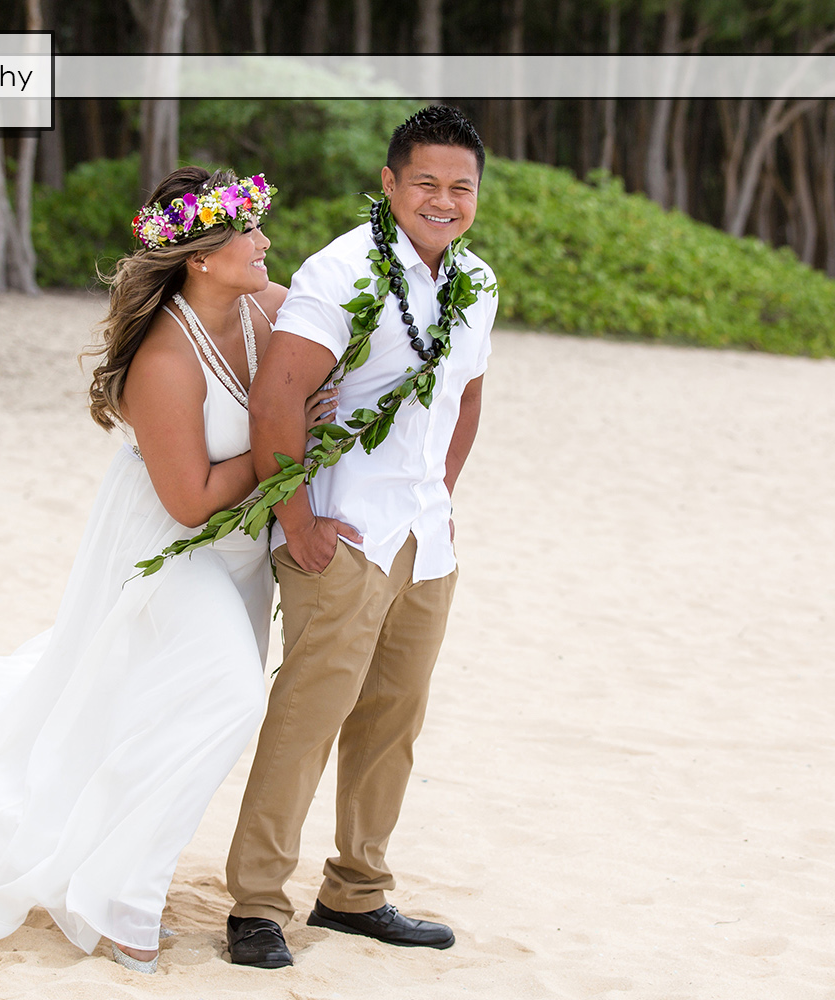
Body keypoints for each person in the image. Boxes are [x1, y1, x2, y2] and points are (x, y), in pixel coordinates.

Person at [0, 166, 335, 975]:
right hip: (168, 549)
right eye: (250, 231)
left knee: (153, 701)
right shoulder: (164, 358)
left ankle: (104, 848)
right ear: (199, 255)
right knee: (230, 696)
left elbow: (324, 375)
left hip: (241, 552)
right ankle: (119, 897)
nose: (267, 243)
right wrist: (285, 442)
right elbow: (192, 500)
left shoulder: (271, 309)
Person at [224, 106, 498, 969]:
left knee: (393, 718)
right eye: (425, 182)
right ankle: (257, 905)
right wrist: (296, 519)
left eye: (461, 186)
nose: (443, 200)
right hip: (341, 533)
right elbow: (278, 398)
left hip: (426, 539)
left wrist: (442, 496)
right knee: (308, 714)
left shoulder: (477, 282)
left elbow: (468, 399)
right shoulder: (340, 270)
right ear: (389, 184)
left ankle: (356, 890)